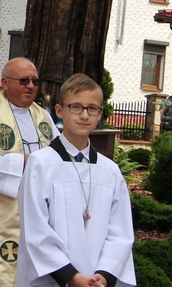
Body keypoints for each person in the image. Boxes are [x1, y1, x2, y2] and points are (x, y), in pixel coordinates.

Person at [18, 74, 136, 287]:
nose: (84, 115)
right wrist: (72, 277)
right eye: (76, 107)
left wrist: (105, 274)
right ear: (59, 111)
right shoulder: (41, 164)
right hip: (57, 279)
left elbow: (121, 231)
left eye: (92, 108)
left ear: (100, 114)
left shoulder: (110, 171)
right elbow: (35, 230)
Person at [0, 57, 59, 286]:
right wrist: (23, 163)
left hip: (41, 214)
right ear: (5, 83)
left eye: (35, 81)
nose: (31, 86)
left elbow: (59, 160)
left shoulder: (44, 118)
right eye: (24, 80)